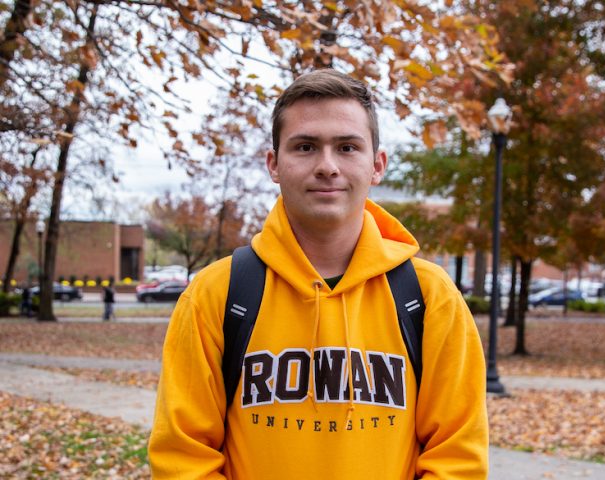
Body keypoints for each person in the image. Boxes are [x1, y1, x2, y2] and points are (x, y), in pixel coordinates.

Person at [149, 69, 488, 479]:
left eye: (347, 147)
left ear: (377, 164)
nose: (327, 166)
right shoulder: (216, 295)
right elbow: (183, 458)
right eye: (305, 146)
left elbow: (457, 459)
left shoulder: (429, 297)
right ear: (274, 164)